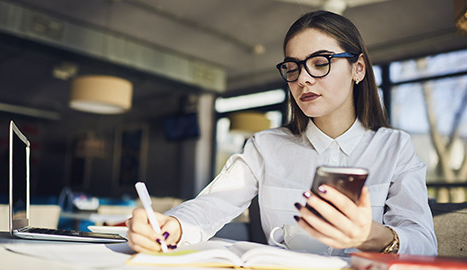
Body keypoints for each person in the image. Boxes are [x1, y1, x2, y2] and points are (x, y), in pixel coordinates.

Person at [127, 10, 437, 256]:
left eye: (320, 63)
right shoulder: (265, 146)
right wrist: (173, 226)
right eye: (293, 67)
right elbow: (214, 203)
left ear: (358, 69)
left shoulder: (394, 147)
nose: (303, 79)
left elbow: (424, 243)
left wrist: (372, 235)